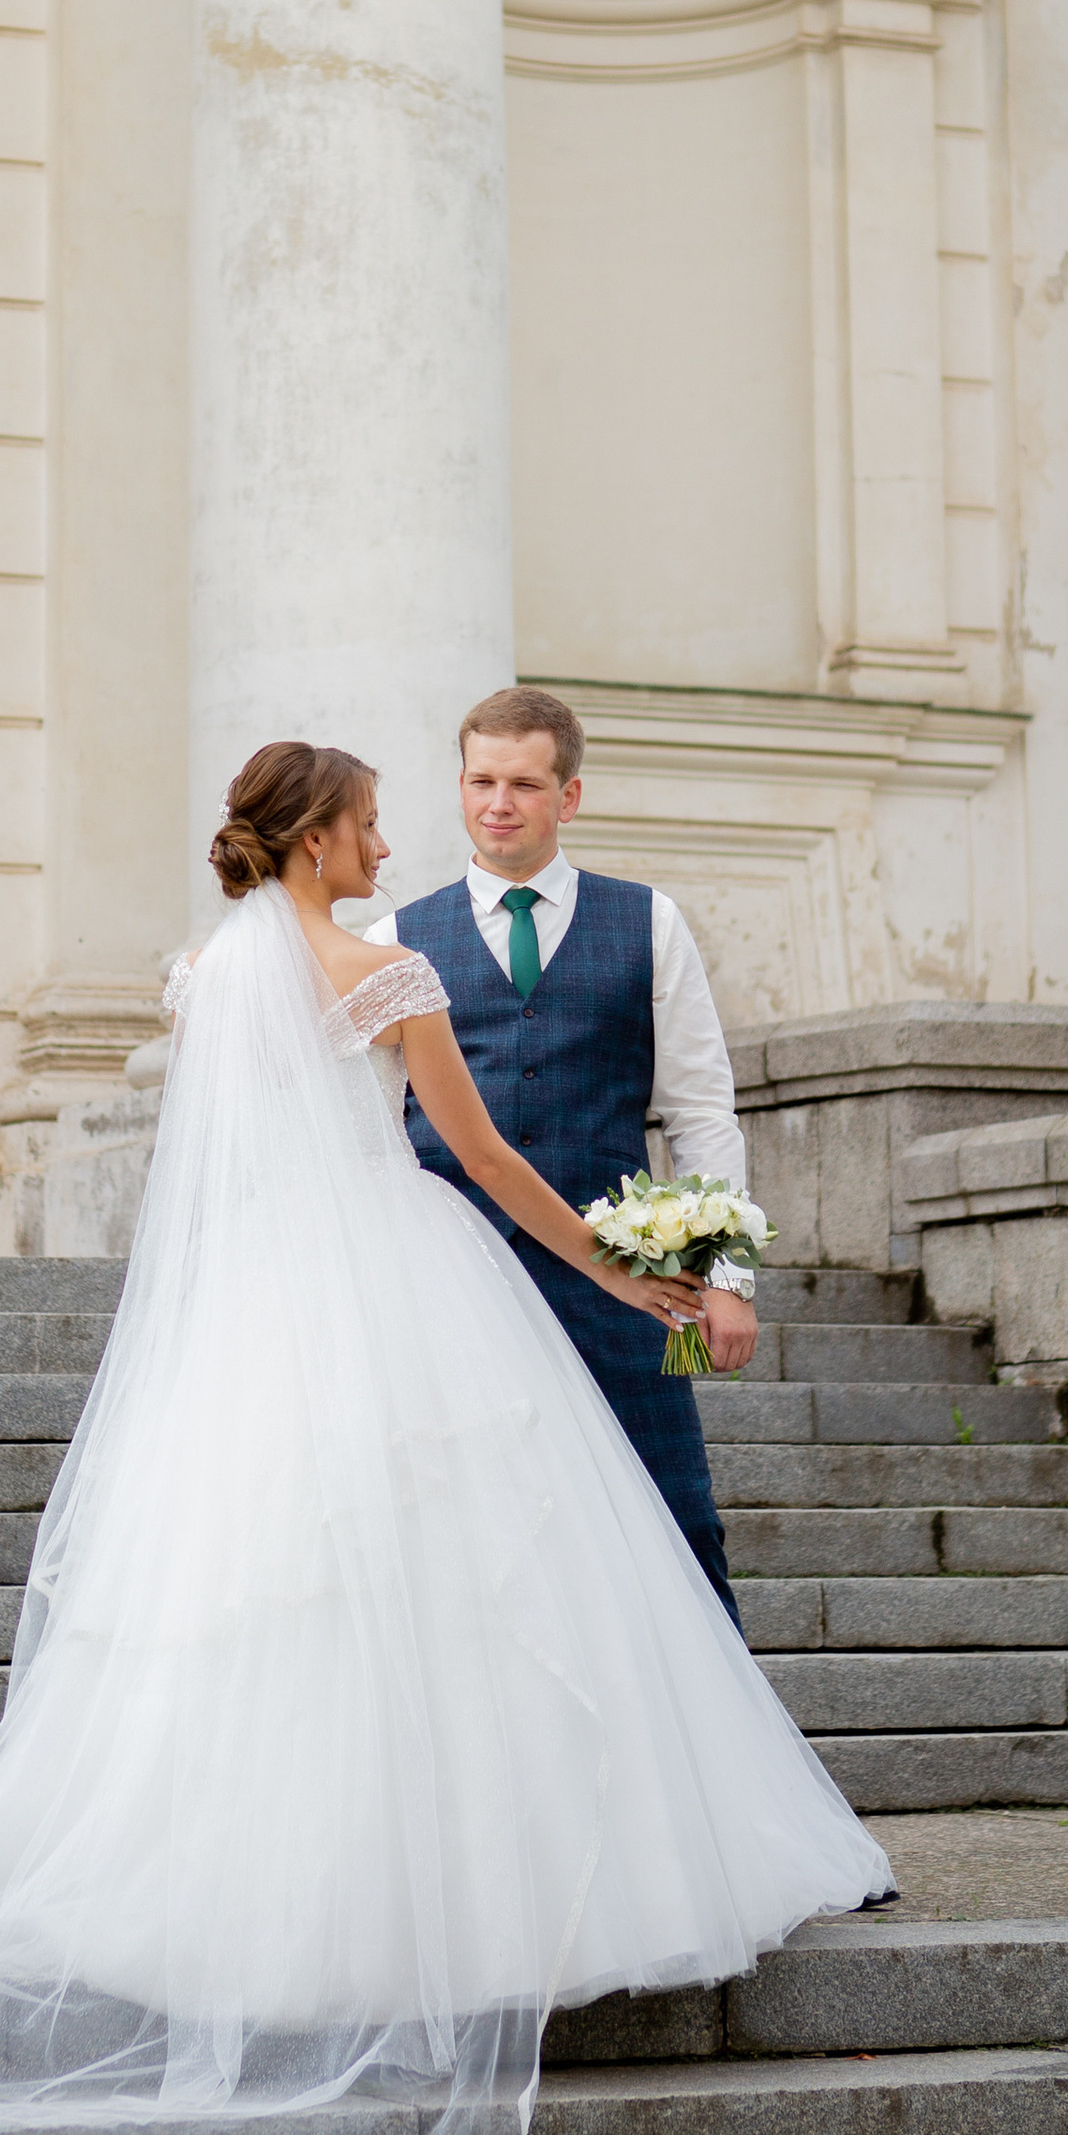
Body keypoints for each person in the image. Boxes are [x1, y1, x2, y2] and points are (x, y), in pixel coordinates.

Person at [0, 741, 893, 2135]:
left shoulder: (207, 976)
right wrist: (632, 1278)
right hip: (397, 1283)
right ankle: (455, 1911)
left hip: (253, 1313)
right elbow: (492, 1167)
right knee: (471, 1585)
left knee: (259, 1595)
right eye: (373, 822)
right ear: (318, 837)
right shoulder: (387, 983)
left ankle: (246, 1919)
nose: (393, 843)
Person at [375, 685, 755, 1621]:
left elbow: (702, 1110)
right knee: (474, 1539)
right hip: (454, 1285)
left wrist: (729, 1278)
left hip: (626, 1280)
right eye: (481, 780)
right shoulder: (395, 938)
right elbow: (378, 1129)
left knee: (677, 1523)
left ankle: (702, 1758)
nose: (499, 803)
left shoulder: (649, 922)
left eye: (525, 784)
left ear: (569, 797)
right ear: (460, 787)